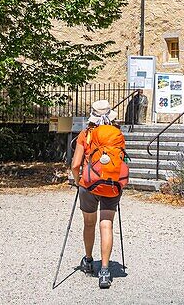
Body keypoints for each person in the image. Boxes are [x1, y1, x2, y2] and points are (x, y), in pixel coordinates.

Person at [69, 99, 127, 289]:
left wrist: (78, 182)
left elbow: (75, 164)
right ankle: (104, 270)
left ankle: (88, 260)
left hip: (89, 183)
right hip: (112, 184)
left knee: (89, 223)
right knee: (106, 224)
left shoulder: (85, 134)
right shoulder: (117, 135)